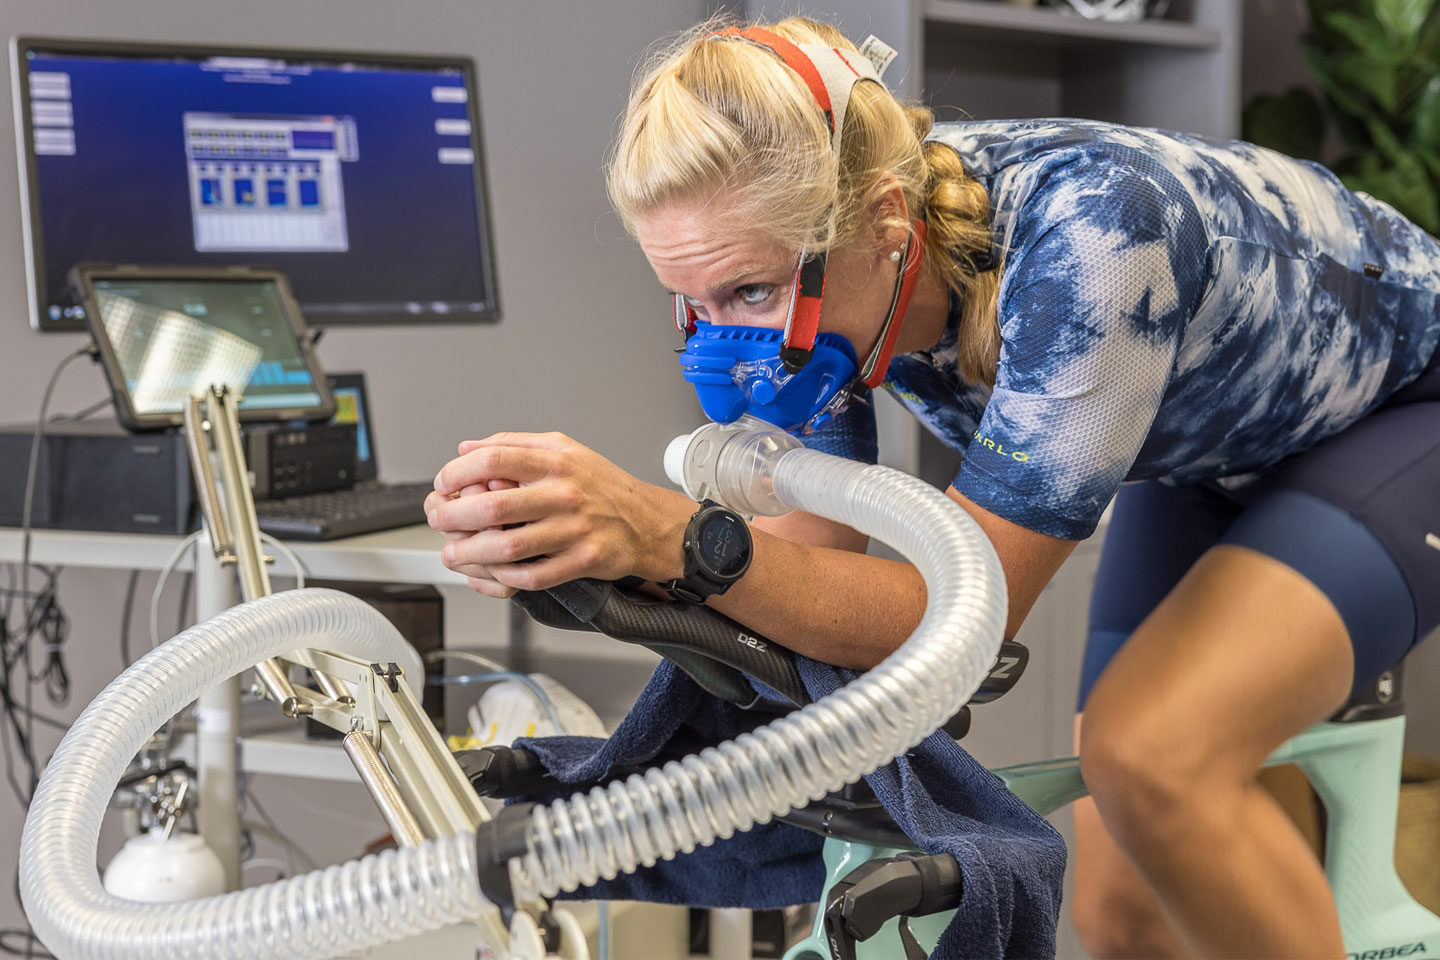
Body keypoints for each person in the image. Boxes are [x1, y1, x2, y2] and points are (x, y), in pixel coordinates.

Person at [425, 17, 1440, 958]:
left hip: (1405, 415)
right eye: (690, 300)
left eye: (750, 289)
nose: (725, 342)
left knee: (1152, 760)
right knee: (1122, 908)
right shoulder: (843, 277)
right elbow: (806, 582)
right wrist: (585, 546)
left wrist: (669, 534)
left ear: (885, 224)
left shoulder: (1095, 239)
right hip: (1209, 445)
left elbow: (965, 618)